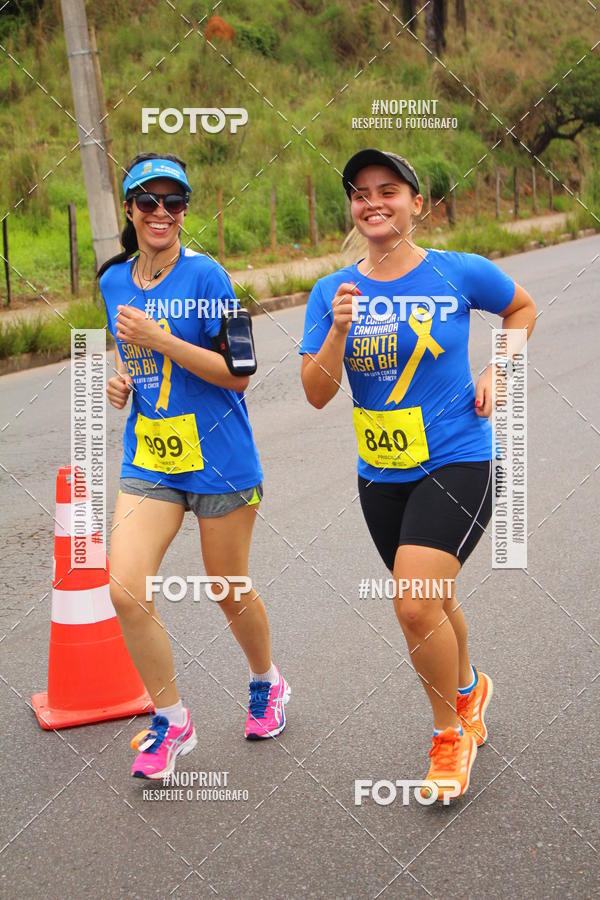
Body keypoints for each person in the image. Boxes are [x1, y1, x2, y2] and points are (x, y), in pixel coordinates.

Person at [300, 149, 536, 801]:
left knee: (411, 605)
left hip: (457, 459)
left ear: (417, 204)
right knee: (434, 601)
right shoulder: (332, 292)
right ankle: (471, 689)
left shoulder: (456, 273)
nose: (373, 202)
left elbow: (521, 310)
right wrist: (336, 334)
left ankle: (448, 736)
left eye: (389, 190)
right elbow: (316, 392)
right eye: (361, 193)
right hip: (380, 474)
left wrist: (499, 370)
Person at [97, 152, 290, 780]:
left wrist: (164, 342)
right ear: (130, 209)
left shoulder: (212, 278)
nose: (161, 213)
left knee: (227, 589)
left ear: (185, 210)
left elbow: (242, 373)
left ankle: (267, 682)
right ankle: (171, 720)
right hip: (150, 455)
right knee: (124, 586)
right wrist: (122, 377)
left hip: (221, 462)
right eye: (148, 201)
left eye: (173, 202)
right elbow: (128, 353)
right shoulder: (112, 282)